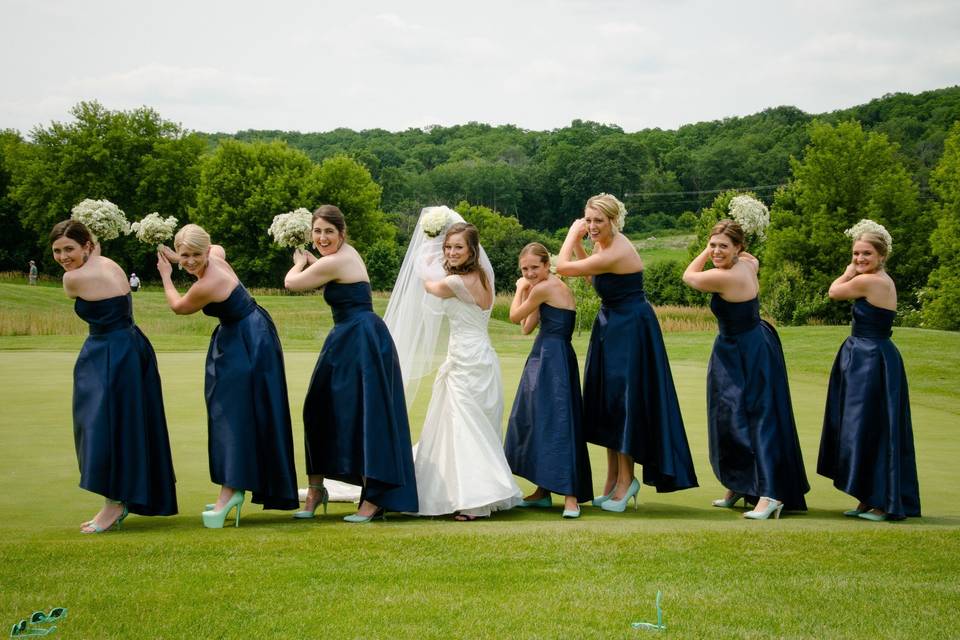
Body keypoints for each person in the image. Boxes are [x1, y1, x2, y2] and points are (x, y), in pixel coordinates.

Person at [556, 193, 698, 512]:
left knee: (624, 402)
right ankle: (612, 482)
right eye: (587, 220)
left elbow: (564, 267)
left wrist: (570, 234)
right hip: (611, 325)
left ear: (613, 221)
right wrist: (584, 243)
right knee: (608, 403)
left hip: (631, 328)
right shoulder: (603, 245)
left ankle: (626, 482)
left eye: (597, 221)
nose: (591, 226)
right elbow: (593, 277)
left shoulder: (617, 249)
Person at [157, 224, 299, 528]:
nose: (191, 261)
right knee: (233, 410)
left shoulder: (207, 284)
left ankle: (230, 490)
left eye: (196, 254)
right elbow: (212, 249)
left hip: (246, 343)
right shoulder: (217, 254)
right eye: (185, 255)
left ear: (207, 251)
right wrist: (176, 257)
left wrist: (167, 276)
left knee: (233, 415)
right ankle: (233, 487)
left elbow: (179, 307)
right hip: (248, 334)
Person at [385, 210, 521, 521]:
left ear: (473, 251)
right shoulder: (484, 276)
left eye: (458, 247)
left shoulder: (457, 282)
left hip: (466, 360)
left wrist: (425, 247)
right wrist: (436, 247)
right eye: (447, 247)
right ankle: (472, 492)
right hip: (480, 356)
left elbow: (429, 285)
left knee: (466, 427)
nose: (451, 252)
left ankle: (475, 500)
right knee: (472, 426)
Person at [285, 205, 418, 522]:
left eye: (329, 231)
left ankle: (373, 498)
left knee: (365, 415)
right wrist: (312, 261)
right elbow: (326, 273)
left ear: (342, 234)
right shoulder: (336, 260)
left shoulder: (339, 258)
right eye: (317, 231)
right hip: (346, 338)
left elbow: (293, 284)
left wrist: (298, 262)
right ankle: (317, 491)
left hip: (361, 340)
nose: (322, 237)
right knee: (316, 408)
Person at [50, 220, 177, 533]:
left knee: (103, 426)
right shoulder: (107, 263)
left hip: (109, 353)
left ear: (87, 246)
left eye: (69, 249)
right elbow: (96, 264)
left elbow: (74, 289)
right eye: (57, 251)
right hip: (130, 345)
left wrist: (78, 262)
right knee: (122, 423)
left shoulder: (72, 279)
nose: (63, 256)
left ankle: (114, 503)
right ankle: (120, 499)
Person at [682, 219, 809, 520]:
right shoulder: (748, 264)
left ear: (739, 247)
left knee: (756, 419)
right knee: (731, 417)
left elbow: (689, 276)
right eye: (712, 245)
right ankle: (740, 484)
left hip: (745, 351)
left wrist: (703, 250)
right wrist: (722, 249)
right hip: (745, 345)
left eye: (723, 246)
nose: (715, 250)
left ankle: (770, 494)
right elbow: (755, 260)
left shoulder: (724, 277)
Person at [817, 223, 921, 521]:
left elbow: (834, 292)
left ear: (881, 255)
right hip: (867, 356)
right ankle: (867, 497)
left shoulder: (872, 282)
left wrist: (849, 270)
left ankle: (882, 502)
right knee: (862, 427)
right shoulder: (876, 278)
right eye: (855, 253)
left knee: (873, 426)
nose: (860, 258)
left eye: (866, 254)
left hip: (871, 359)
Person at [504, 242, 592, 518]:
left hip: (553, 359)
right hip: (544, 356)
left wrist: (520, 288)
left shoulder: (544, 288)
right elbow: (526, 328)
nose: (529, 273)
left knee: (559, 422)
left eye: (534, 267)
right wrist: (531, 292)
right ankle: (543, 491)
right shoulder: (545, 288)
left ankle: (570, 497)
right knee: (539, 417)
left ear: (546, 265)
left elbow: (513, 315)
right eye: (524, 269)